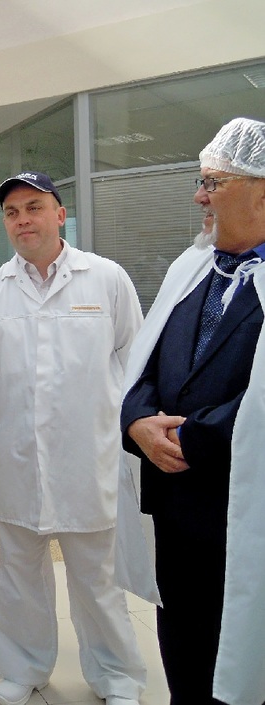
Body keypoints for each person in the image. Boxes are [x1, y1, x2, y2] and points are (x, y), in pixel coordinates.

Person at [0, 171, 146, 705]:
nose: (22, 220)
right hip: (17, 459)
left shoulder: (106, 279)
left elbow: (134, 362)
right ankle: (23, 668)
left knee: (97, 579)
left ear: (60, 214)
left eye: (34, 207)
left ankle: (116, 675)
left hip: (88, 459)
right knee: (19, 576)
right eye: (12, 212)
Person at [119, 117, 265, 705]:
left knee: (245, 653)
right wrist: (137, 422)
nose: (199, 197)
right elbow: (144, 364)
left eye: (213, 182)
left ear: (261, 192)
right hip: (176, 511)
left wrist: (191, 440)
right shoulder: (191, 268)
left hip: (245, 510)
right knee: (185, 651)